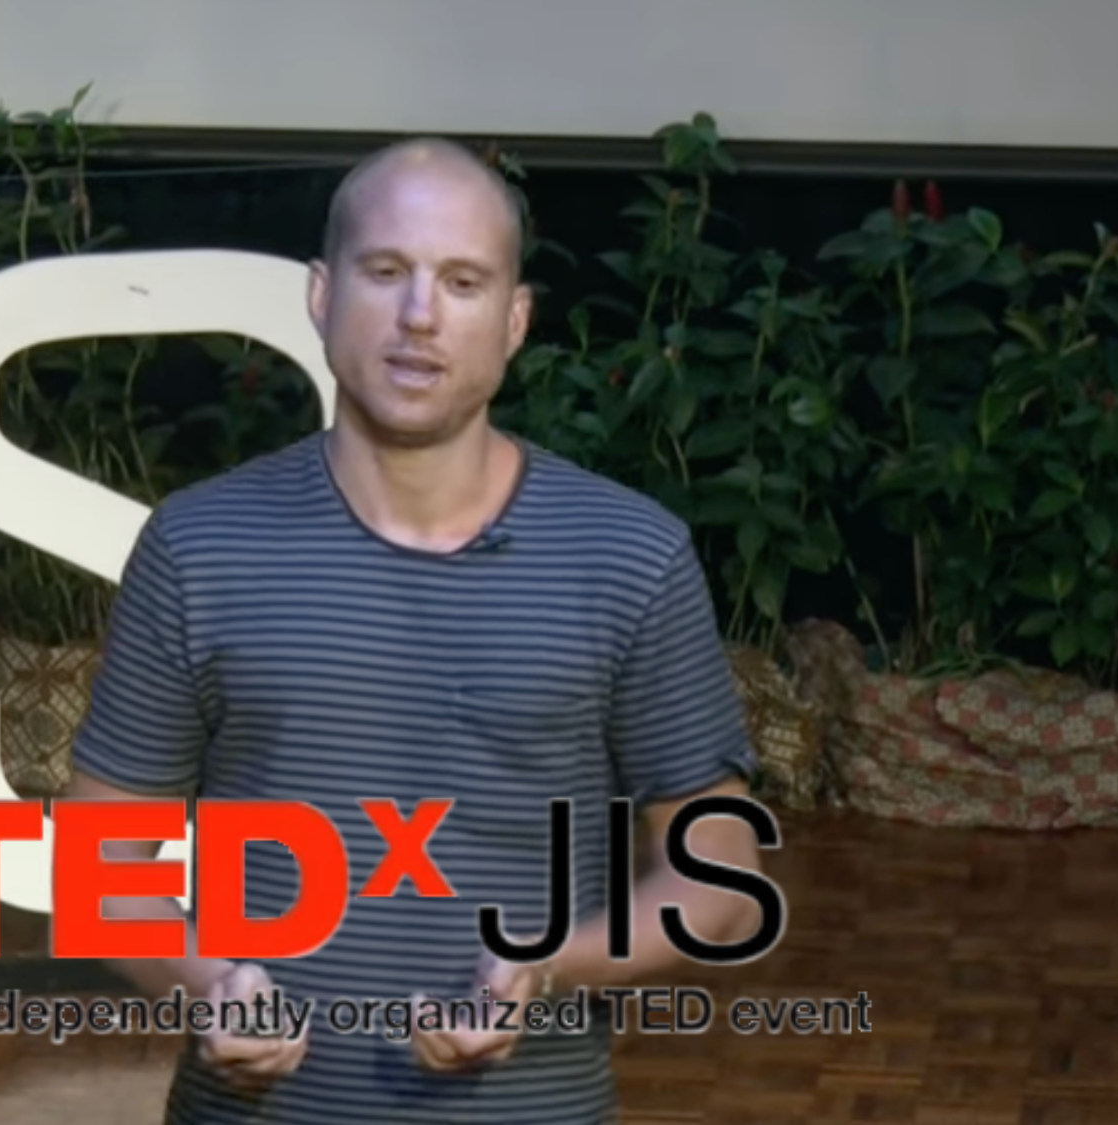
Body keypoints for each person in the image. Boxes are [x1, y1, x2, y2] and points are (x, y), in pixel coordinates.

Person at [65, 137, 768, 1124]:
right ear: (321, 296)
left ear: (514, 320)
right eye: (386, 271)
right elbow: (95, 877)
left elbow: (722, 883)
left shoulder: (628, 557)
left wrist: (546, 967)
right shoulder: (198, 546)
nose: (420, 315)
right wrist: (210, 985)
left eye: (462, 282)